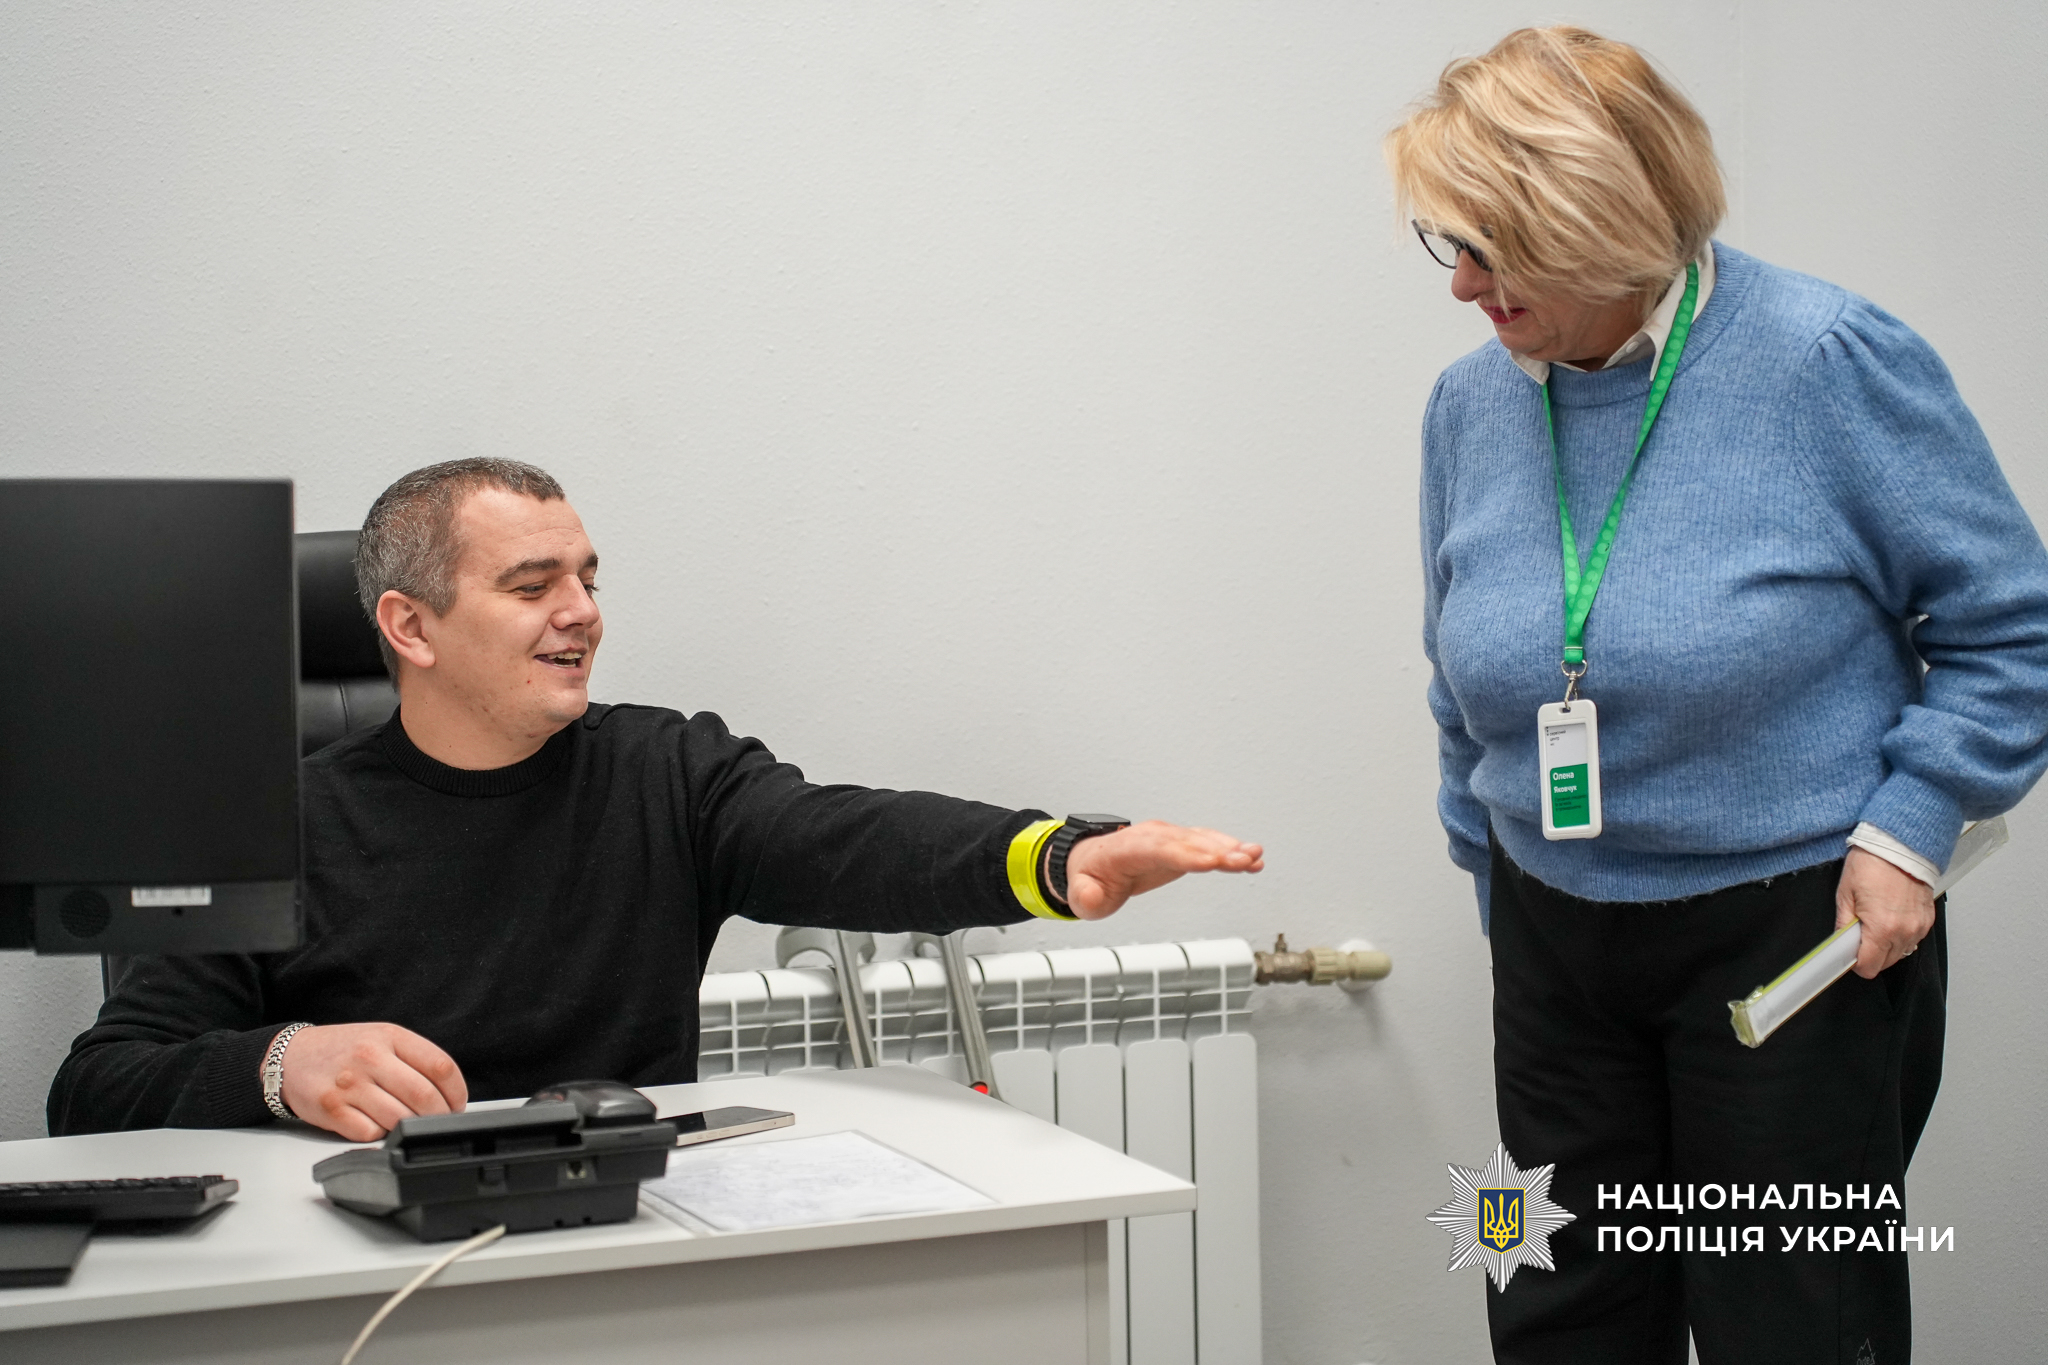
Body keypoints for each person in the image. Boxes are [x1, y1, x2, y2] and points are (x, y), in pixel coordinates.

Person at [1386, 26, 2048, 1365]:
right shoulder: (1468, 404)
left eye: (1493, 249)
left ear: (1599, 225)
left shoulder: (1827, 361)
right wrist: (1491, 872)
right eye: (1444, 243)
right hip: (1553, 933)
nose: (1460, 286)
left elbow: (2010, 623)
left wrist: (1910, 831)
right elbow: (1460, 674)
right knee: (1552, 1308)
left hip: (1790, 937)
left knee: (1789, 1325)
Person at [48, 459, 1263, 1141]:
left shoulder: (665, 770)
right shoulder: (277, 822)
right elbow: (100, 1086)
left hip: (628, 1238)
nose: (581, 611)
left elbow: (844, 838)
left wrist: (1054, 858)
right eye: (532, 585)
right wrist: (280, 1063)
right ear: (410, 628)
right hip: (365, 1274)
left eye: (586, 577)